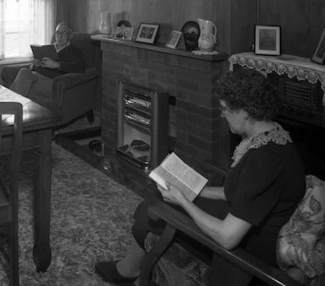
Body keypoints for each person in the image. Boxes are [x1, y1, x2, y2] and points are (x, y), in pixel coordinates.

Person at [95, 68, 306, 285]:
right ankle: (130, 270)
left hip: (245, 254)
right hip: (244, 221)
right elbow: (242, 192)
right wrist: (194, 189)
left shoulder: (264, 160)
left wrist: (183, 200)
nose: (222, 115)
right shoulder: (272, 135)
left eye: (224, 109)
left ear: (245, 111)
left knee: (153, 209)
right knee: (155, 202)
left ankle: (129, 272)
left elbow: (227, 237)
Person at [9, 22, 85, 103]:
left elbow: (80, 67)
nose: (59, 36)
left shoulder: (74, 51)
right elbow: (39, 68)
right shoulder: (49, 49)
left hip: (56, 84)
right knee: (24, 73)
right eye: (57, 33)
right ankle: (12, 107)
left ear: (70, 36)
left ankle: (7, 107)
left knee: (25, 85)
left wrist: (57, 65)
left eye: (64, 33)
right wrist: (35, 65)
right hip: (39, 77)